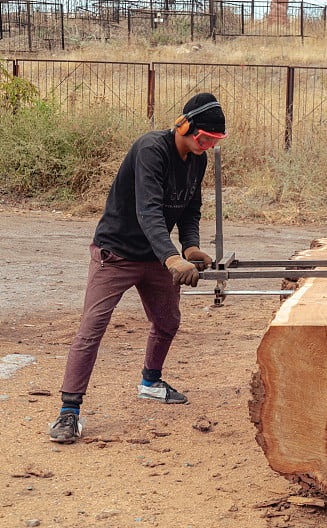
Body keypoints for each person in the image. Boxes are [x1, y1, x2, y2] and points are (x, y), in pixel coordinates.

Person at [48, 93, 227, 444]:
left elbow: (191, 207)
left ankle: (150, 382)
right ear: (184, 125)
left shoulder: (197, 160)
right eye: (203, 138)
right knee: (92, 327)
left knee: (167, 322)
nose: (205, 146)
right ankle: (69, 412)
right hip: (116, 253)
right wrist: (172, 258)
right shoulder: (151, 149)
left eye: (214, 142)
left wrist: (189, 246)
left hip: (157, 257)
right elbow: (148, 210)